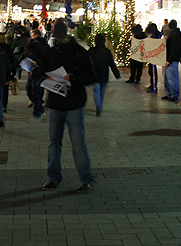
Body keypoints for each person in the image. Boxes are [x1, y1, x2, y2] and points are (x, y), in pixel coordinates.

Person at [41, 20, 97, 194]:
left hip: (73, 103)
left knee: (77, 144)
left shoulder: (79, 51)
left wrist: (71, 78)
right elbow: (41, 72)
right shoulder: (50, 52)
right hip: (55, 103)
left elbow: (90, 76)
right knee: (53, 143)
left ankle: (85, 179)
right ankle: (53, 178)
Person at [88, 33, 120, 116]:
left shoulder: (91, 51)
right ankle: (100, 107)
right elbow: (112, 64)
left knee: (96, 90)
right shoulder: (107, 52)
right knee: (102, 91)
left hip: (95, 74)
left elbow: (87, 63)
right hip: (104, 74)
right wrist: (117, 74)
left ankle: (98, 107)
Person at [25, 28, 48, 121]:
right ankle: (39, 108)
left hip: (38, 71)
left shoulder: (40, 45)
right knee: (32, 89)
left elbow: (45, 59)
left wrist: (37, 62)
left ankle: (38, 111)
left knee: (36, 91)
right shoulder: (31, 46)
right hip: (32, 71)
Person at [162, 19, 181, 101]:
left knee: (172, 78)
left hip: (171, 60)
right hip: (167, 59)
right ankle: (169, 94)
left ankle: (173, 95)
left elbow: (175, 49)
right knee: (167, 78)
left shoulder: (176, 36)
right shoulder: (171, 34)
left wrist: (169, 60)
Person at [0, 32, 15, 113]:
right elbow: (11, 60)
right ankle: (4, 105)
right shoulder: (8, 48)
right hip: (6, 71)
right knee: (5, 89)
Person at [145, 23, 161, 92]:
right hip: (151, 55)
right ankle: (152, 85)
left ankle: (154, 86)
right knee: (151, 71)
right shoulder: (152, 34)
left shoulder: (156, 35)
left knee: (153, 71)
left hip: (153, 56)